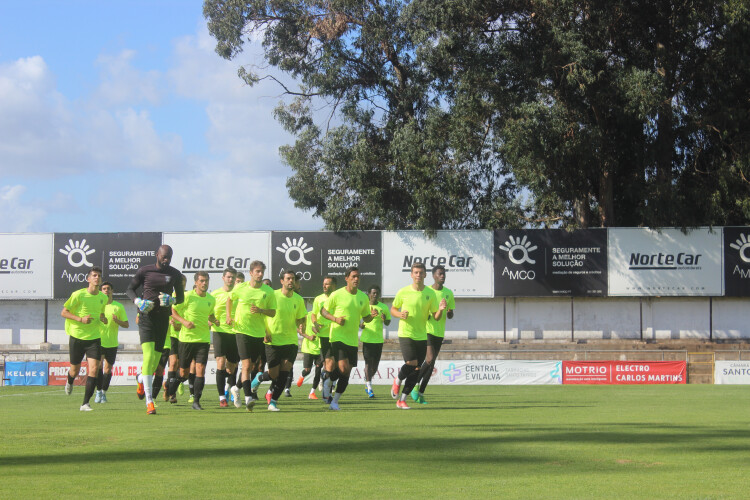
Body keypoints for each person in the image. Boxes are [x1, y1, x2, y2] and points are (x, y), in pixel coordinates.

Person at [126, 245, 185, 415]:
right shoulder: (145, 271)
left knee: (154, 363)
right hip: (146, 318)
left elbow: (180, 297)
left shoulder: (175, 274)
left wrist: (172, 300)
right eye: (164, 257)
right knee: (149, 356)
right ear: (157, 255)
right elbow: (129, 289)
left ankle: (139, 378)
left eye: (169, 257)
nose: (167, 260)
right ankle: (149, 401)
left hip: (162, 320)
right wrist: (138, 302)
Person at [390, 262, 446, 409]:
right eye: (415, 272)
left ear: (425, 275)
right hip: (406, 333)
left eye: (421, 273)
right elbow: (393, 309)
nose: (418, 275)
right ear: (411, 274)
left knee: (416, 370)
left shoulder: (430, 293)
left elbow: (436, 316)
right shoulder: (403, 292)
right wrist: (400, 314)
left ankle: (402, 400)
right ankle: (398, 379)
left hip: (422, 335)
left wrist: (440, 309)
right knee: (411, 362)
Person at [250, 270, 306, 411]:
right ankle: (259, 378)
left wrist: (301, 324)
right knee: (273, 374)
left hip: (291, 341)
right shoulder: (272, 295)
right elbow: (262, 316)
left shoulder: (298, 300)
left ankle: (273, 402)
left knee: (285, 373)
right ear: (282, 281)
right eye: (288, 278)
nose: (290, 281)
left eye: (292, 279)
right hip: (273, 340)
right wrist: (265, 332)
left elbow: (300, 318)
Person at [320, 267, 373, 410]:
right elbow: (323, 311)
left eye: (358, 276)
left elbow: (366, 317)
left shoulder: (363, 297)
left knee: (346, 372)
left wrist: (370, 316)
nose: (356, 279)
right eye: (353, 276)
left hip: (352, 340)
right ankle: (328, 382)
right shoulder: (337, 295)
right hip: (337, 337)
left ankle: (334, 401)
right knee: (343, 368)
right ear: (347, 278)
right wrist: (335, 319)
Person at [227, 261, 276, 411]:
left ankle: (236, 388)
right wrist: (229, 316)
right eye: (257, 271)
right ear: (251, 273)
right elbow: (230, 299)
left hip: (258, 333)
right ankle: (248, 397)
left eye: (262, 272)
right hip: (242, 331)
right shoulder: (241, 287)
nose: (260, 274)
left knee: (253, 365)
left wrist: (261, 310)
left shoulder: (268, 291)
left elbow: (273, 312)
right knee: (247, 365)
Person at [61, 266, 108, 411]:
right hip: (77, 337)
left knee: (94, 368)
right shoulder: (78, 295)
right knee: (75, 370)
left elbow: (99, 313)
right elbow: (64, 312)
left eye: (99, 276)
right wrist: (80, 319)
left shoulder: (103, 297)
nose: (97, 278)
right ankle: (70, 381)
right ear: (88, 279)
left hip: (94, 338)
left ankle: (85, 403)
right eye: (94, 275)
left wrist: (103, 318)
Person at [170, 271, 218, 410]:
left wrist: (214, 320)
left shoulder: (211, 299)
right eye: (202, 281)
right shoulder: (187, 296)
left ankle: (196, 401)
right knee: (184, 373)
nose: (204, 283)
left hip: (203, 340)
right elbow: (173, 311)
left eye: (206, 280)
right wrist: (184, 322)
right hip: (186, 340)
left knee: (200, 369)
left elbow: (210, 314)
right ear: (196, 282)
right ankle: (171, 385)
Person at [412, 265, 455, 404]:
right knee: (429, 359)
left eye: (444, 274)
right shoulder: (427, 291)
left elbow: (451, 315)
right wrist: (436, 311)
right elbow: (425, 312)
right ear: (433, 276)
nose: (442, 276)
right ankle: (414, 384)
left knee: (431, 364)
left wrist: (448, 312)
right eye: (440, 274)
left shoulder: (448, 293)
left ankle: (421, 393)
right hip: (427, 330)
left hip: (439, 332)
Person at [95, 281, 129, 403]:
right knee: (98, 366)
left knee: (108, 369)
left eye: (108, 288)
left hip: (112, 343)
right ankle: (98, 392)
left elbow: (126, 324)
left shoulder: (118, 306)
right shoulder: (97, 305)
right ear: (101, 291)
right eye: (104, 288)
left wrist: (117, 321)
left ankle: (103, 392)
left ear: (112, 291)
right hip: (99, 341)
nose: (106, 290)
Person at [211, 267, 239, 408]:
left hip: (235, 332)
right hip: (219, 331)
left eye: (233, 277)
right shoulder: (215, 294)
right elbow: (209, 312)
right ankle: (222, 397)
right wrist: (211, 320)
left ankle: (230, 390)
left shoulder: (238, 294)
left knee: (232, 367)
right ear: (223, 278)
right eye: (228, 277)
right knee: (221, 363)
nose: (230, 279)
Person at [359, 285, 390, 398]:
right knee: (368, 363)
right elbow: (360, 324)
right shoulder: (364, 306)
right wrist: (362, 324)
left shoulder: (383, 307)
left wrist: (384, 318)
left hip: (378, 340)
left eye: (377, 293)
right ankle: (369, 387)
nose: (375, 295)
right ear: (369, 294)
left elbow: (388, 322)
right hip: (367, 339)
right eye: (373, 293)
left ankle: (366, 379)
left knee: (375, 367)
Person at [311, 276, 337, 400]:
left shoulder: (338, 297)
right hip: (324, 336)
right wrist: (315, 324)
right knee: (329, 364)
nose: (324, 286)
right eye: (324, 284)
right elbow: (314, 314)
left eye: (327, 284)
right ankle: (327, 394)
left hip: (337, 334)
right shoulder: (318, 299)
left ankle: (325, 378)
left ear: (334, 286)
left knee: (336, 366)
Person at [296, 309, 323, 399]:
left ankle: (312, 393)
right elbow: (299, 330)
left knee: (318, 372)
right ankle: (302, 375)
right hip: (308, 348)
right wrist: (308, 336)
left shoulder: (325, 316)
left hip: (320, 348)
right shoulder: (307, 315)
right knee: (308, 370)